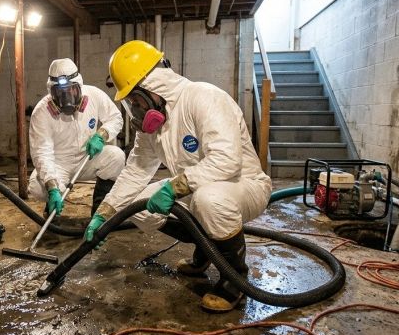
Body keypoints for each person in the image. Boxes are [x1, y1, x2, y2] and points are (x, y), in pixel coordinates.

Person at [85, 41, 272, 313]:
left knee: (209, 201)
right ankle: (207, 250)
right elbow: (136, 170)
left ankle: (235, 279)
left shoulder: (203, 97)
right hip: (196, 188)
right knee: (138, 206)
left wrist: (175, 187)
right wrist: (106, 213)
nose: (134, 108)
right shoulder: (154, 123)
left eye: (135, 100)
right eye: (130, 103)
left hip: (243, 185)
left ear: (152, 86)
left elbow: (227, 161)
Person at [29, 58, 125, 217]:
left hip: (88, 157)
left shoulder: (94, 95)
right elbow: (42, 153)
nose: (66, 96)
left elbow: (115, 118)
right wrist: (52, 187)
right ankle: (53, 204)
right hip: (59, 164)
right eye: (60, 92)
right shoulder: (41, 112)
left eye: (71, 89)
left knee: (116, 157)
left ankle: (100, 210)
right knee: (37, 187)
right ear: (52, 91)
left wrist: (102, 134)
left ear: (79, 86)